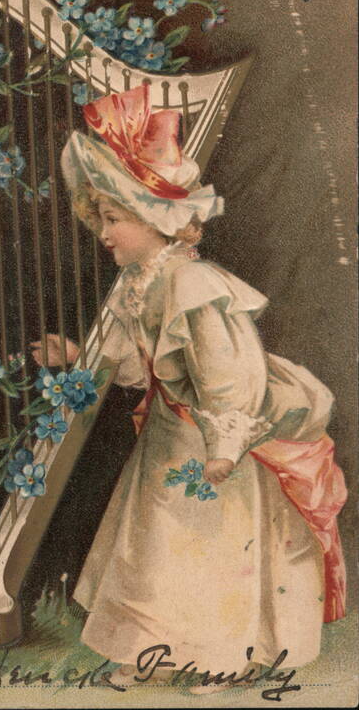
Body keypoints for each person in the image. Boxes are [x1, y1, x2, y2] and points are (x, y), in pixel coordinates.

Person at [30, 85, 347, 692]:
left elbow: (233, 374)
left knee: (208, 550)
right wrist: (77, 357)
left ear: (155, 218)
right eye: (100, 220)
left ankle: (221, 654)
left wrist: (225, 445)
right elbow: (130, 363)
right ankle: (144, 649)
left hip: (210, 443)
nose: (104, 233)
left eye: (114, 219)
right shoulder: (138, 284)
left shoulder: (195, 284)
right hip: (166, 439)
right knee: (150, 547)